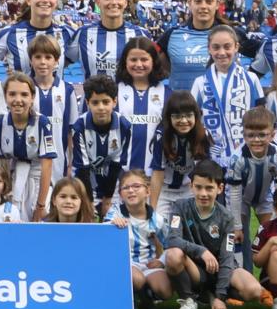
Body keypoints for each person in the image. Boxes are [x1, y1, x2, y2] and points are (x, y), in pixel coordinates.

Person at [162, 161, 263, 309]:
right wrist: (202, 251)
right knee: (173, 255)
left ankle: (213, 295)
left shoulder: (226, 218)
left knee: (254, 291)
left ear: (220, 188)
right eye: (199, 187)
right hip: (195, 270)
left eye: (209, 188)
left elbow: (228, 257)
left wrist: (221, 297)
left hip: (221, 268)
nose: (203, 193)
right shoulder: (180, 207)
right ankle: (190, 300)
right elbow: (172, 239)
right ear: (191, 186)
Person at [190, 24, 261, 166]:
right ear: (209, 49)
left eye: (227, 47)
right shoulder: (199, 83)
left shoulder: (251, 79)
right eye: (216, 47)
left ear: (236, 47)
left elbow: (261, 117)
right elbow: (194, 120)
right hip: (212, 156)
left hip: (246, 157)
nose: (222, 52)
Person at [0, 71, 54, 222]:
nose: (18, 100)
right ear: (5, 97)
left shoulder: (42, 123)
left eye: (24, 95)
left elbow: (47, 166)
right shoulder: (0, 124)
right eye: (12, 94)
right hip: (13, 178)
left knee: (39, 224)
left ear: (32, 98)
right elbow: (0, 165)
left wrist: (40, 206)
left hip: (37, 178)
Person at [70, 74, 134, 217]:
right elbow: (82, 169)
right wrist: (90, 202)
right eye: (95, 102)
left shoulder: (124, 126)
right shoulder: (79, 127)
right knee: (88, 222)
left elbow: (117, 166)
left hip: (113, 186)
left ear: (115, 101)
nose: (101, 107)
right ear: (87, 103)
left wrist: (108, 199)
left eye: (106, 102)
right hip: (86, 184)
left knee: (114, 222)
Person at [106, 170, 170, 307]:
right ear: (121, 195)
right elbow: (103, 232)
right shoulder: (116, 212)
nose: (131, 191)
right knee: (138, 280)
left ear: (147, 191)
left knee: (166, 291)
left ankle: (147, 293)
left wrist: (161, 261)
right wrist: (112, 223)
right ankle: (136, 296)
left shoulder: (157, 219)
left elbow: (171, 244)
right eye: (126, 188)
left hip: (147, 263)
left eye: (136, 186)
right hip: (125, 262)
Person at [0, 0, 75, 73]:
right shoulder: (9, 33)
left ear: (56, 2)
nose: (45, 0)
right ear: (29, 0)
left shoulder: (67, 33)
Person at [157, 0, 228, 94]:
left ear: (217, 4)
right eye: (198, 1)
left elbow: (262, 53)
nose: (203, 6)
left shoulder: (230, 34)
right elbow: (152, 63)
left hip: (217, 109)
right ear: (190, 3)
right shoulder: (172, 35)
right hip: (180, 108)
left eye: (209, 1)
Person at [225, 106, 277, 229]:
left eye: (262, 135)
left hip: (266, 195)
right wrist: (237, 226)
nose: (256, 140)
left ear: (272, 135)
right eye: (251, 135)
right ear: (244, 135)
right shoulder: (236, 159)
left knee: (272, 232)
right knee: (237, 236)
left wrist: (276, 217)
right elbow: (234, 194)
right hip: (240, 197)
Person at [69, 0, 146, 80]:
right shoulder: (83, 34)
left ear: (126, 2)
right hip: (94, 95)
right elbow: (60, 63)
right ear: (98, 2)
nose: (114, 2)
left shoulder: (141, 35)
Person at [28, 33, 80, 184]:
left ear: (57, 61)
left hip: (59, 165)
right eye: (38, 57)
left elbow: (71, 132)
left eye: (48, 57)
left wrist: (71, 165)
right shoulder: (25, 88)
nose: (43, 62)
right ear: (31, 60)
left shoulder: (67, 90)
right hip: (31, 164)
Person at [115, 37, 168, 179]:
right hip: (119, 176)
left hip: (155, 176)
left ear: (154, 61)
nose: (138, 64)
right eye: (133, 60)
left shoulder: (167, 93)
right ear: (125, 61)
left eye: (144, 59)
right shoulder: (113, 92)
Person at [150, 89, 211, 213]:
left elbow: (203, 172)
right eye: (177, 116)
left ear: (196, 115)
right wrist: (152, 209)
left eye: (188, 115)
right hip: (165, 190)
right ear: (168, 117)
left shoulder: (202, 135)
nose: (183, 121)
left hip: (189, 189)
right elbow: (157, 173)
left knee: (191, 228)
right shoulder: (161, 136)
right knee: (159, 226)